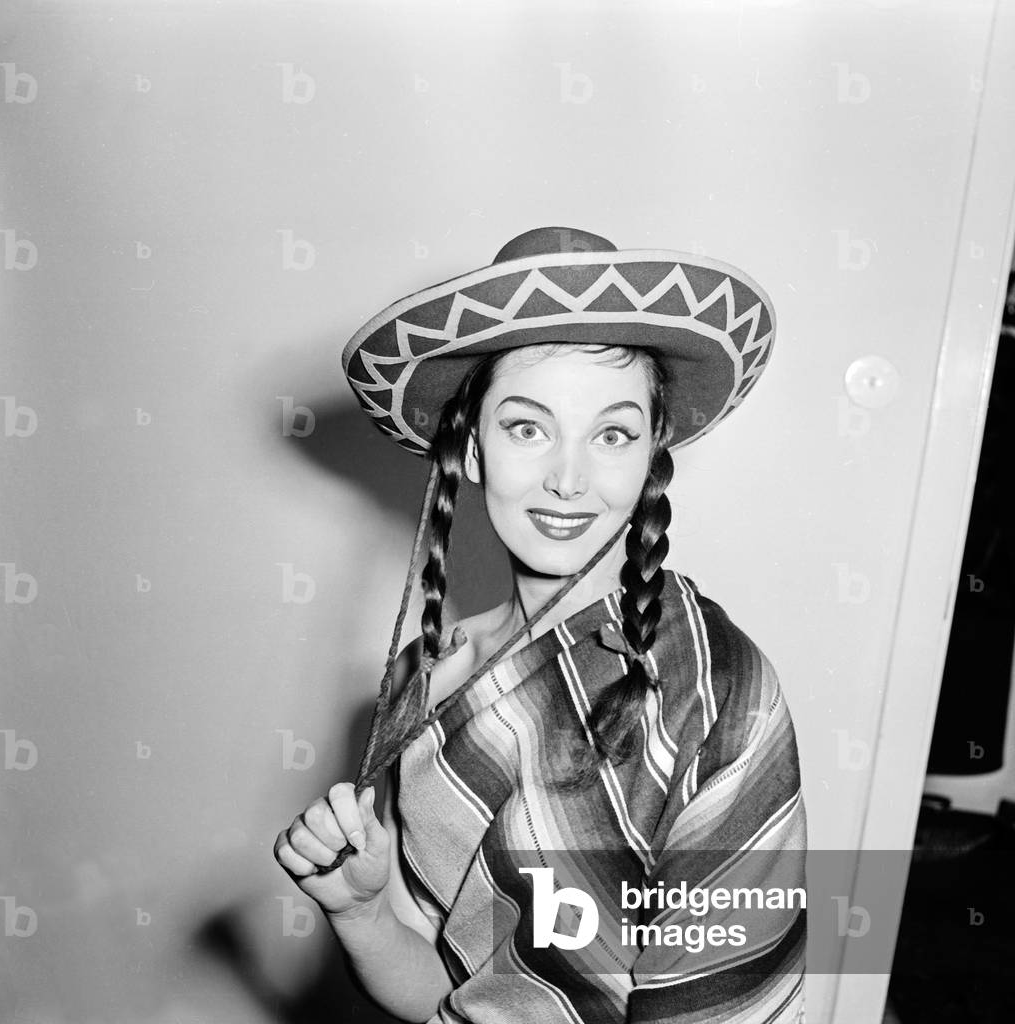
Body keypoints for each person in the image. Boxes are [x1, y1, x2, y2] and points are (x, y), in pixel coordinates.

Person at [274, 227, 807, 1023]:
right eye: (528, 427)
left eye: (613, 434)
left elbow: (730, 1003)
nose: (568, 478)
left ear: (652, 451)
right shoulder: (431, 679)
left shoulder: (719, 692)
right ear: (474, 446)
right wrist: (362, 914)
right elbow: (448, 995)